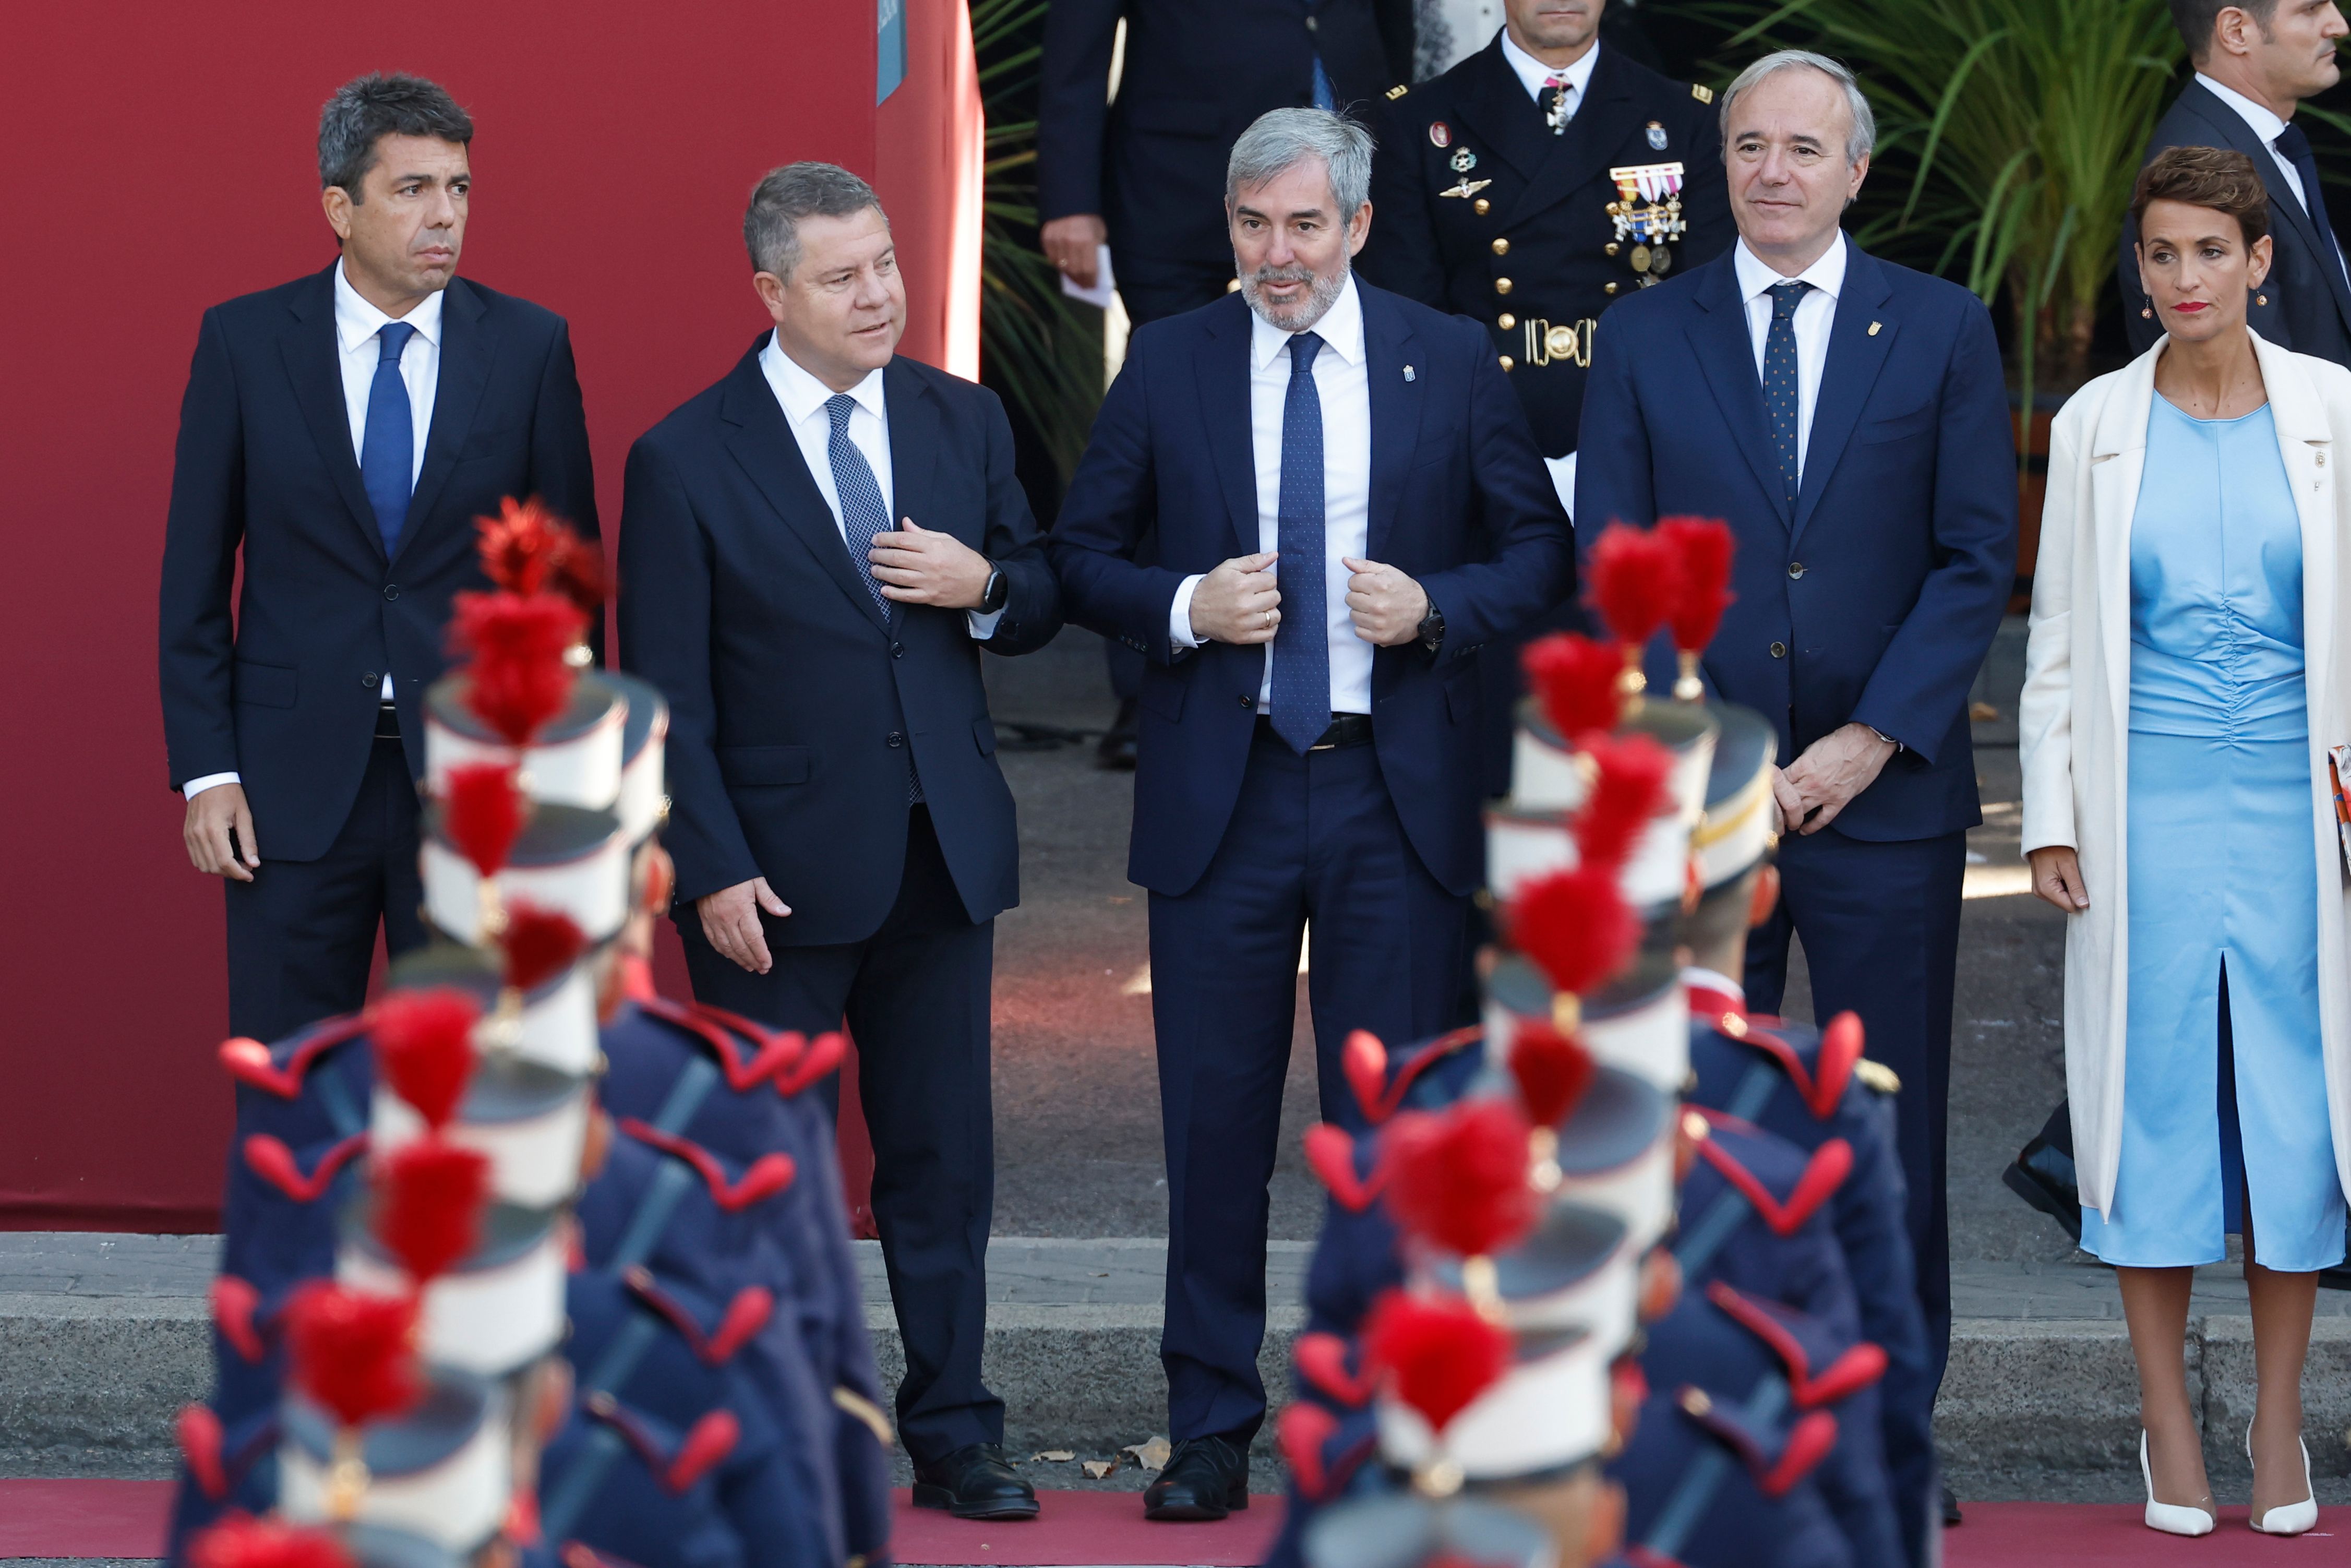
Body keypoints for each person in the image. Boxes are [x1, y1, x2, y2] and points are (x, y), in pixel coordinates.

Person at [1048, 107, 1572, 1519]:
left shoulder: (1446, 357)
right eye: (1251, 225)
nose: (1275, 255)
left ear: (1357, 226)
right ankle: (1210, 1427)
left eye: (1302, 225)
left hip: (1388, 793)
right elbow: (1080, 553)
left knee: (1392, 1131)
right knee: (1211, 1128)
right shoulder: (1171, 358)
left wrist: (1437, 608)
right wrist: (1185, 605)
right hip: (1220, 796)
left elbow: (1539, 551)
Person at [1573, 49, 2017, 1495]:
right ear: (1722, 162)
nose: (1773, 171)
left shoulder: (1940, 326)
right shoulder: (1645, 333)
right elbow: (1617, 567)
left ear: (1856, 172)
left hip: (1886, 800)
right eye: (1749, 145)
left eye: (1803, 149)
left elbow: (1973, 559)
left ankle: (1888, 1429)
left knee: (1884, 1125)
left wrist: (1868, 738)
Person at [617, 162, 1062, 1522]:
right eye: (841, 276)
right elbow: (664, 694)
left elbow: (1043, 591)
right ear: (771, 290)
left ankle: (956, 1432)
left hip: (941, 856)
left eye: (886, 265)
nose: (878, 296)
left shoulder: (961, 415)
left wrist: (985, 587)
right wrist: (708, 866)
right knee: (770, 1182)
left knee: (944, 1165)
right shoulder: (685, 456)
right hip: (771, 882)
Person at [2020, 146, 2350, 1538]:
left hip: (2298, 807)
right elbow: (2053, 640)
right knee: (2148, 1098)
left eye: (2211, 251)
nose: (2184, 277)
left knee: (2294, 1109)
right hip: (2140, 805)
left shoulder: (2337, 409)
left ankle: (2276, 1419)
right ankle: (2166, 1418)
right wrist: (2049, 815)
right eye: (2160, 254)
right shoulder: (2096, 421)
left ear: (2260, 261)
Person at [158, 73, 598, 1042]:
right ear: (339, 208)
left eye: (460, 187)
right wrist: (207, 772)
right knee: (292, 1080)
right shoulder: (244, 343)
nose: (446, 214)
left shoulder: (529, 347)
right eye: (413, 189)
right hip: (287, 787)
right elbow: (192, 580)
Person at [1359, 0, 1734, 796]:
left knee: (1635, 750)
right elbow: (1409, 335)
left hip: (1638, 466)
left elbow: (1703, 322)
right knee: (1496, 755)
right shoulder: (1419, 123)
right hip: (1486, 474)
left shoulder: (1685, 119)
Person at [1038, 0, 1414, 770]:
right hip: (1176, 182)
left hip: (1345, 162)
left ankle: (1345, 667)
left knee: (1343, 415)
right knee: (1173, 436)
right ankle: (1150, 681)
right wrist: (1070, 198)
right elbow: (1076, 50)